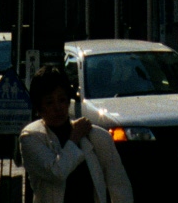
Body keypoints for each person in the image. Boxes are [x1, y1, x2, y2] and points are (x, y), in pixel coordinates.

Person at [20, 66, 133, 203]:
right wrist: (74, 139)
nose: (57, 108)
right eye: (49, 102)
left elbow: (119, 184)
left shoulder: (96, 136)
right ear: (39, 108)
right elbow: (57, 172)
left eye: (62, 100)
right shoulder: (32, 136)